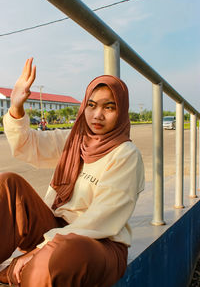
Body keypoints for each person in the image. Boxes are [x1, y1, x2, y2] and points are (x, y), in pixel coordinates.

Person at [0, 58, 145, 287]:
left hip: (98, 243)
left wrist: (38, 251)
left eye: (109, 107)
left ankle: (13, 274)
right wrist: (16, 106)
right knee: (7, 184)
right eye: (91, 105)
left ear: (121, 111)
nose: (97, 115)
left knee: (60, 254)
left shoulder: (126, 155)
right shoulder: (75, 138)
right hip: (55, 228)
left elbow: (100, 219)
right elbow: (27, 145)